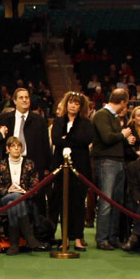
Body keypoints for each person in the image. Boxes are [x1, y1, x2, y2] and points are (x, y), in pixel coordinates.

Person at [50, 91, 94, 252]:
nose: (73, 105)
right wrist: (69, 140)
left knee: (78, 203)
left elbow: (85, 139)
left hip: (80, 167)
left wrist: (66, 140)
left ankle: (78, 238)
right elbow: (55, 139)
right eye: (71, 102)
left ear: (81, 106)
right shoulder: (59, 120)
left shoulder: (86, 123)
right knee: (64, 204)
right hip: (61, 168)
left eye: (77, 103)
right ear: (66, 103)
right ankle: (65, 238)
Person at [91, 87, 133, 250]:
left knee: (117, 202)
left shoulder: (113, 117)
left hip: (117, 161)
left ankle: (113, 237)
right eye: (126, 104)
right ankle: (102, 238)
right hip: (106, 162)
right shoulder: (102, 115)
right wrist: (123, 135)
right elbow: (107, 137)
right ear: (123, 102)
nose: (126, 107)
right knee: (106, 201)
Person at [0, 135, 49, 255]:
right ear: (8, 149)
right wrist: (8, 190)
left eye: (18, 146)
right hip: (6, 196)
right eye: (13, 146)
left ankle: (14, 244)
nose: (16, 149)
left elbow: (35, 184)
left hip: (24, 198)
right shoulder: (1, 164)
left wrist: (25, 192)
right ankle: (30, 238)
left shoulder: (29, 163)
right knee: (14, 198)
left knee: (14, 202)